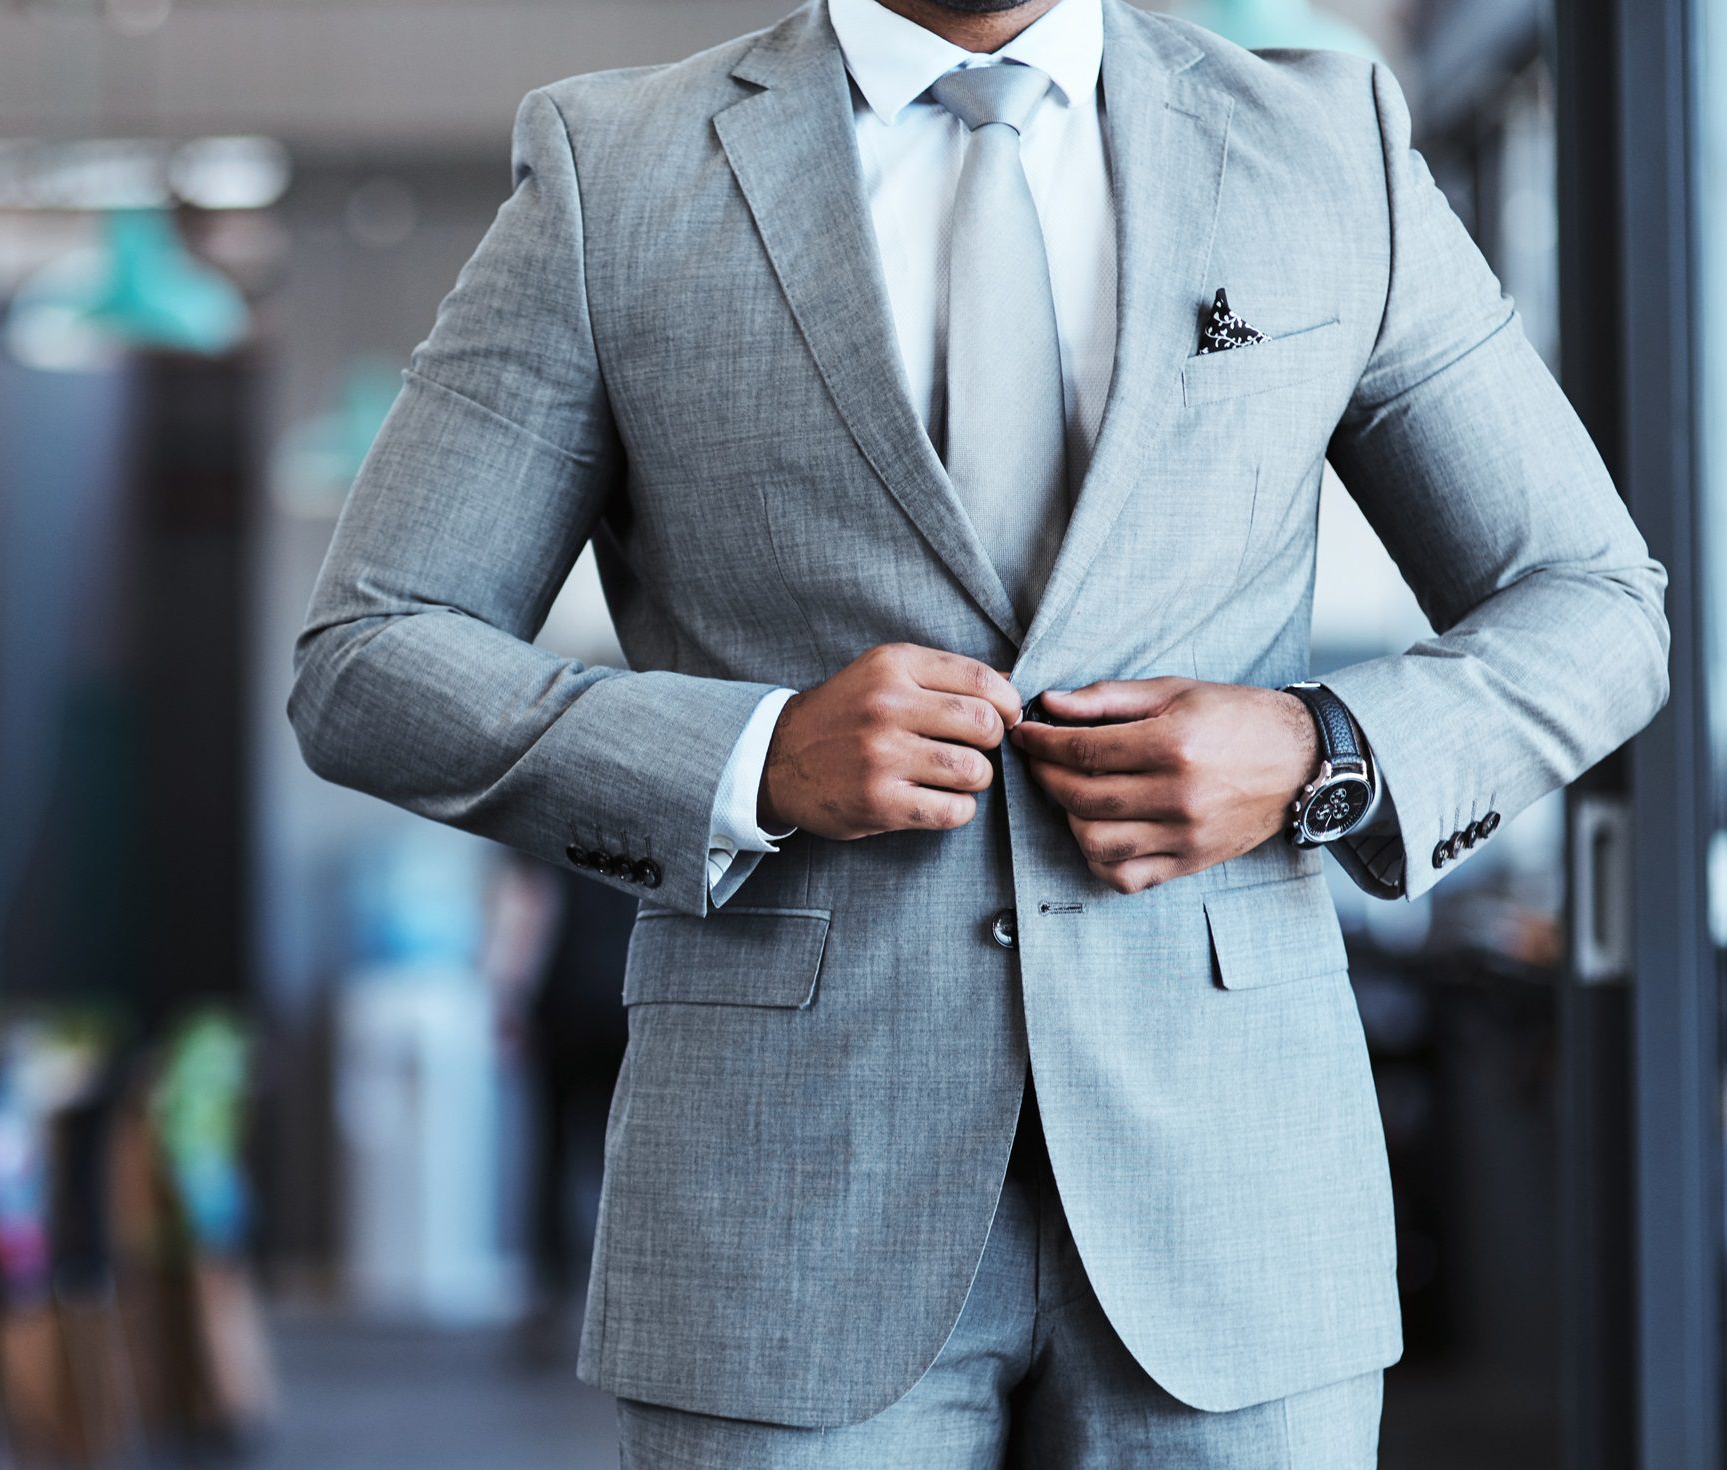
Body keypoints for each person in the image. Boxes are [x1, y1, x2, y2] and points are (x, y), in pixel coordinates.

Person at [287, 0, 1671, 1461]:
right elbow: (370, 653)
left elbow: (1592, 602)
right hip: (787, 1216)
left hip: (1234, 1207)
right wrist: (755, 757)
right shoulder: (615, 171)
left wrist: (1321, 750)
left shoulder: (1324, 143)